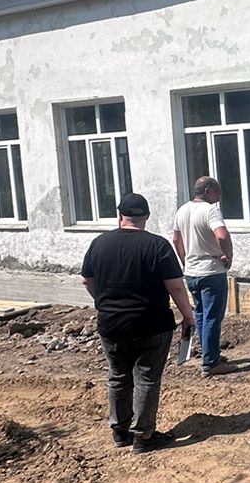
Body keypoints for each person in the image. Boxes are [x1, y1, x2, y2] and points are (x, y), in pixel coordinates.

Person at [82, 192, 194, 453]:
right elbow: (176, 287)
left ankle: (120, 432)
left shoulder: (99, 243)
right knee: (146, 378)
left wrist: (104, 301)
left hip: (111, 324)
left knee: (118, 376)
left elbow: (86, 280)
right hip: (151, 324)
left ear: (120, 215)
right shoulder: (157, 246)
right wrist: (188, 315)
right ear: (146, 217)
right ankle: (143, 436)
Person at [173, 176, 234, 377]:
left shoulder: (182, 210)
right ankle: (210, 363)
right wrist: (228, 256)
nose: (219, 197)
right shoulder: (210, 210)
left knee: (200, 314)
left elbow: (176, 239)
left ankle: (210, 353)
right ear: (207, 191)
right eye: (217, 192)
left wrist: (185, 261)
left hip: (192, 272)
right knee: (212, 317)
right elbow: (222, 235)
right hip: (211, 270)